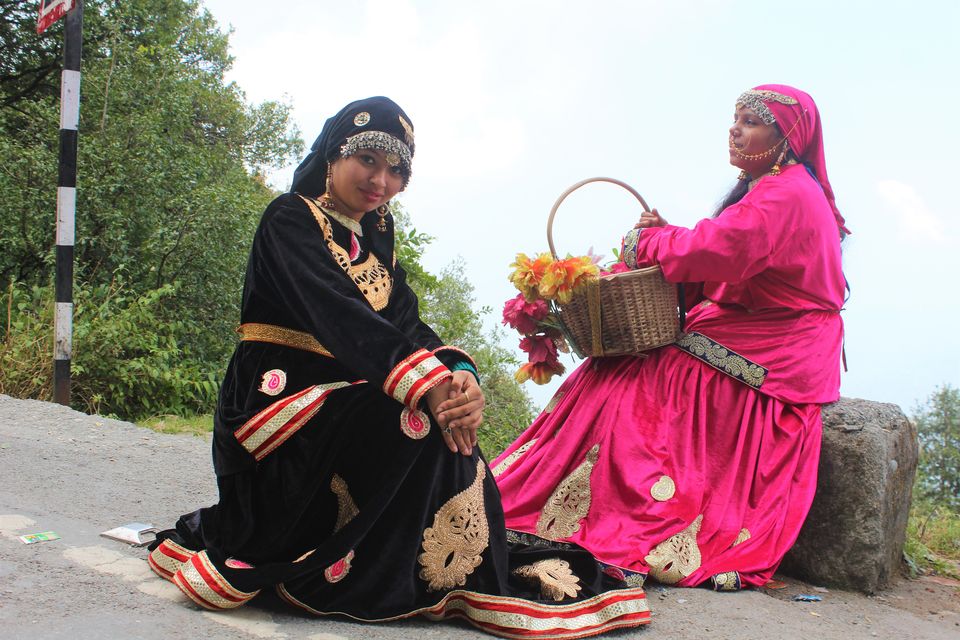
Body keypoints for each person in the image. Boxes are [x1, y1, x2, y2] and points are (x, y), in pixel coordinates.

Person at [147, 96, 649, 637]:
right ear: (335, 154)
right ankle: (342, 555)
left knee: (440, 413)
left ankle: (425, 561)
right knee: (410, 414)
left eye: (395, 171)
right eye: (368, 160)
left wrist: (458, 377)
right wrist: (425, 386)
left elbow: (408, 325)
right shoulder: (289, 217)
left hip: (344, 397)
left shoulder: (377, 240)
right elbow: (339, 312)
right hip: (274, 402)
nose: (379, 181)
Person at [492, 84, 848, 591]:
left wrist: (653, 240)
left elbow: (726, 248)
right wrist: (672, 238)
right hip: (755, 327)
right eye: (735, 117)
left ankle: (619, 503)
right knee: (618, 366)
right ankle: (567, 496)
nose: (734, 128)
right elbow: (731, 252)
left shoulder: (786, 190)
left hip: (778, 346)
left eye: (749, 120)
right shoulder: (774, 186)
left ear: (786, 135)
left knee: (643, 375)